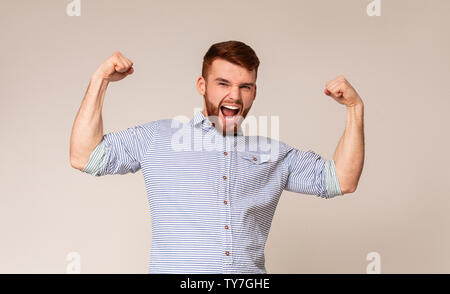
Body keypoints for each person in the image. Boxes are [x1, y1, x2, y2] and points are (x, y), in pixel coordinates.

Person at [69, 40, 365, 274]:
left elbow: (341, 179)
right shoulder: (157, 138)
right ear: (202, 86)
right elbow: (85, 156)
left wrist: (354, 109)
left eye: (244, 86)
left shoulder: (273, 154)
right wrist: (100, 80)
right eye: (223, 83)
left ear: (254, 92)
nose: (234, 96)